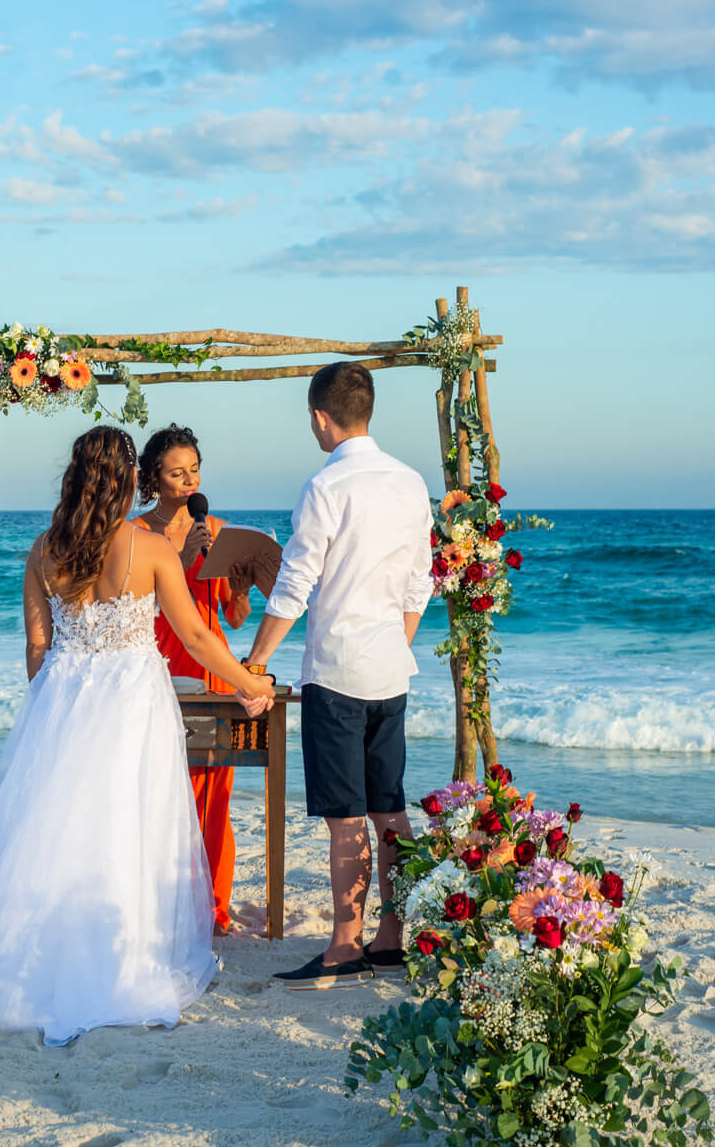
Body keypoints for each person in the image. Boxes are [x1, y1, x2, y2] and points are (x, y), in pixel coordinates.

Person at [0, 426, 274, 1044]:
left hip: (64, 699)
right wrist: (248, 685)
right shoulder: (148, 549)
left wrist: (56, 707)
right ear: (129, 481)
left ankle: (30, 954)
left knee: (56, 823)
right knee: (127, 821)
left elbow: (37, 650)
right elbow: (197, 639)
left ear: (75, 477)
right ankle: (118, 955)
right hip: (131, 702)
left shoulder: (43, 550)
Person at [243, 362, 432, 989]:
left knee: (347, 817)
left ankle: (345, 947)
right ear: (367, 410)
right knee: (391, 810)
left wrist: (257, 661)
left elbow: (295, 584)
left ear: (321, 417)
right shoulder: (410, 483)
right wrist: (390, 644)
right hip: (390, 668)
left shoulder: (327, 486)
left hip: (337, 672)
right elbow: (418, 584)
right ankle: (392, 940)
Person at [134, 425, 257, 935]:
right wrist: (180, 566)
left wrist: (243, 588)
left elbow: (233, 618)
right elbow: (135, 613)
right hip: (161, 668)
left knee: (214, 796)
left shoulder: (219, 529)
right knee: (161, 794)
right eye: (175, 472)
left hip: (216, 673)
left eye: (194, 470)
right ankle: (158, 904)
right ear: (153, 479)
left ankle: (213, 908)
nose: (188, 481)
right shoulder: (138, 536)